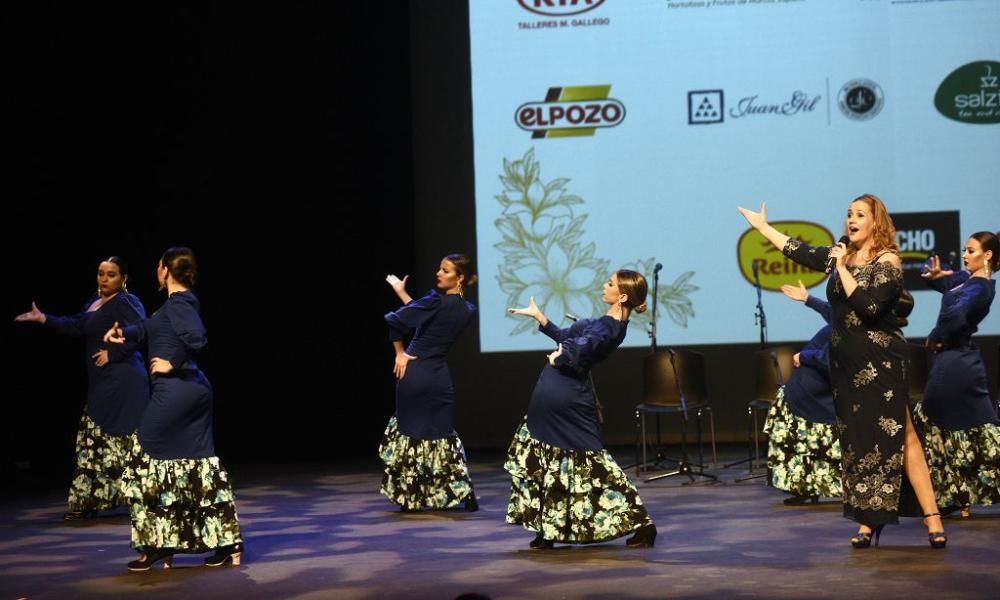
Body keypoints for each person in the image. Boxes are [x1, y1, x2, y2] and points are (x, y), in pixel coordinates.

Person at [738, 195, 946, 548]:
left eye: (860, 214)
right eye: (849, 214)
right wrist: (762, 228)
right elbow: (797, 250)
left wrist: (842, 268)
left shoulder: (888, 261)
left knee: (903, 434)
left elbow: (867, 306)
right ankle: (868, 520)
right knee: (859, 441)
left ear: (875, 222)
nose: (851, 219)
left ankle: (933, 518)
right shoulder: (841, 256)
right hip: (845, 365)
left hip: (881, 362)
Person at [104, 247, 243, 571]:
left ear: (166, 269)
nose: (156, 269)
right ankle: (223, 544)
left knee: (143, 458)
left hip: (178, 391)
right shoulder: (174, 304)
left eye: (158, 265)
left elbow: (196, 337)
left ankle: (157, 544)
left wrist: (172, 363)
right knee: (195, 466)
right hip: (189, 390)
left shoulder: (181, 303)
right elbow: (150, 329)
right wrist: (123, 333)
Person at [505, 270, 656, 549]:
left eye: (610, 283)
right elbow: (567, 337)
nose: (604, 284)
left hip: (568, 397)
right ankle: (547, 528)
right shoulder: (606, 321)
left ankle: (643, 524)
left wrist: (561, 358)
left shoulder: (610, 327)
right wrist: (540, 318)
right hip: (555, 395)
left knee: (593, 462)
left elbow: (581, 349)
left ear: (622, 295)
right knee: (548, 461)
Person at [14, 257, 149, 521]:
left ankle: (140, 496)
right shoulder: (94, 302)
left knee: (122, 440)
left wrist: (114, 353)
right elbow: (76, 325)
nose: (104, 279)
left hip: (125, 383)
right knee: (93, 440)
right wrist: (44, 319)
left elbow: (141, 331)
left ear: (124, 279)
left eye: (111, 274)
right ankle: (89, 501)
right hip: (103, 383)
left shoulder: (127, 302)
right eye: (101, 273)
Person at [379, 254, 479, 512]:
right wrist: (403, 293)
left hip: (415, 371)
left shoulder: (435, 300)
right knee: (442, 434)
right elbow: (425, 318)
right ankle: (461, 493)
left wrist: (399, 353)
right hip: (438, 376)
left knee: (412, 433)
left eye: (445, 270)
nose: (438, 273)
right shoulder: (468, 310)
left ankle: (411, 497)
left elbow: (395, 320)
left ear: (459, 278)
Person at [914, 231, 1000, 518]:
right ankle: (956, 493)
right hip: (957, 361)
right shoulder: (968, 279)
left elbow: (958, 313)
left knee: (939, 422)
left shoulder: (981, 287)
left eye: (971, 250)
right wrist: (938, 276)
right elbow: (949, 284)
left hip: (955, 362)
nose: (965, 255)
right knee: (955, 428)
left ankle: (952, 494)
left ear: (987, 255)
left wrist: (937, 334)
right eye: (964, 249)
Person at [763, 280, 841, 505]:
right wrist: (808, 299)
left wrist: (804, 356)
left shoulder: (852, 327)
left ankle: (816, 487)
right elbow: (832, 313)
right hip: (805, 389)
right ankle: (805, 488)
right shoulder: (847, 319)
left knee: (819, 442)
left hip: (814, 392)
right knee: (802, 443)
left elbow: (829, 358)